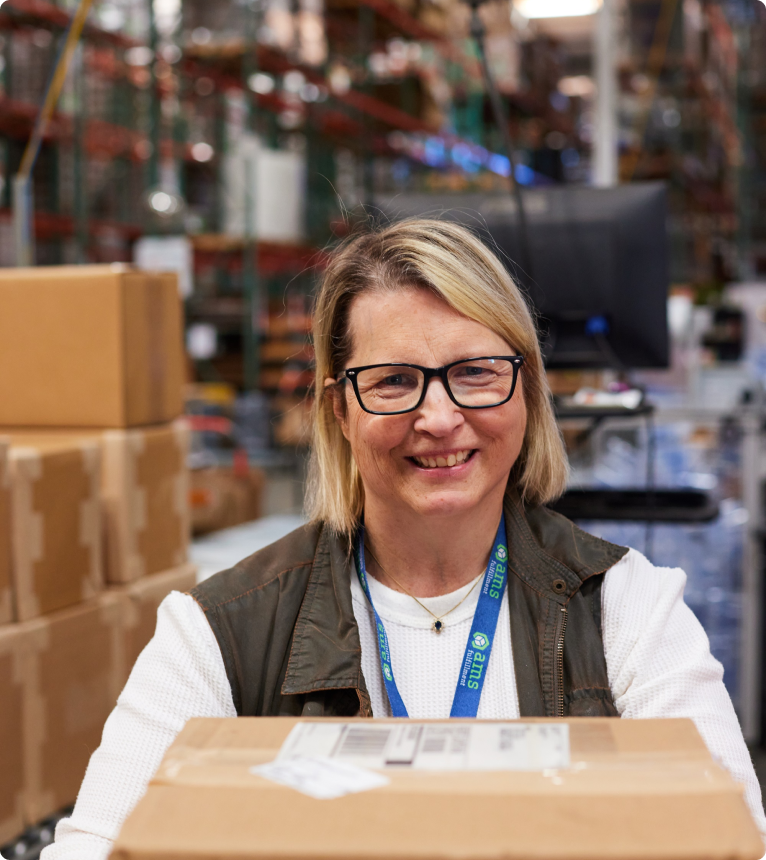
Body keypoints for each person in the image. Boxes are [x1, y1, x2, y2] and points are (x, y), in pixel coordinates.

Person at [43, 219, 766, 860]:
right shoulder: (221, 632)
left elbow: (731, 835)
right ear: (339, 412)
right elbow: (98, 845)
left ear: (526, 389)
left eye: (476, 372)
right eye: (394, 381)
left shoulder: (625, 609)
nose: (440, 416)